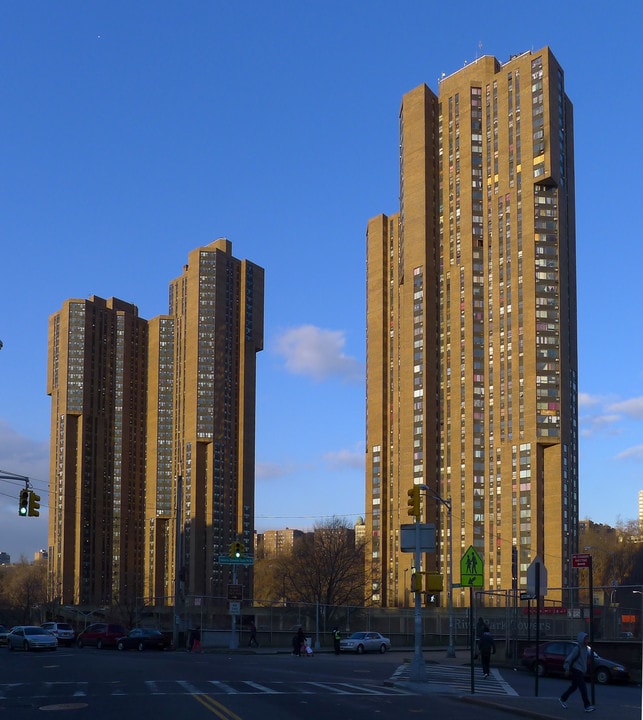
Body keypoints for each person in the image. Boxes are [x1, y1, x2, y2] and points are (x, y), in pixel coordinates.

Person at [559, 632, 595, 712]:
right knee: (583, 688)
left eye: (587, 639)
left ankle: (563, 698)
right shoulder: (577, 648)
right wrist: (567, 669)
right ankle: (587, 706)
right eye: (585, 639)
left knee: (574, 687)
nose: (587, 640)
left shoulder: (585, 648)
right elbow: (569, 659)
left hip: (580, 670)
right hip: (577, 670)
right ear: (582, 639)